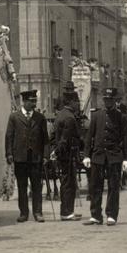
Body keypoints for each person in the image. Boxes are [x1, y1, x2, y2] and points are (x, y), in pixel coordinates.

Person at [82, 88, 127, 226]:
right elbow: (89, 137)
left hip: (114, 156)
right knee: (95, 186)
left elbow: (126, 139)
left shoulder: (121, 117)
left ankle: (111, 214)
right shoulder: (97, 116)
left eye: (110, 99)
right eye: (106, 99)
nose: (107, 102)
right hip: (98, 155)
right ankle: (96, 215)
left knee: (113, 186)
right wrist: (86, 155)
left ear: (115, 101)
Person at [5, 89, 49, 223]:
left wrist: (45, 155)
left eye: (35, 101)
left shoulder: (40, 118)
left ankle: (38, 212)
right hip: (20, 157)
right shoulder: (14, 117)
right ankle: (23, 213)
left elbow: (45, 139)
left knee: (37, 186)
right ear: (23, 102)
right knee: (22, 186)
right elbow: (9, 136)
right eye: (31, 101)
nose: (34, 103)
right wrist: (9, 153)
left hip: (36, 158)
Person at [53, 91, 82, 221]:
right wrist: (58, 152)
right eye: (76, 101)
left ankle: (66, 211)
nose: (78, 104)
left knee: (65, 182)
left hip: (63, 155)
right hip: (68, 155)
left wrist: (56, 151)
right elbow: (65, 139)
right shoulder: (70, 117)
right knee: (69, 183)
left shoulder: (60, 115)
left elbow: (55, 137)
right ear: (70, 102)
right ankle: (66, 212)